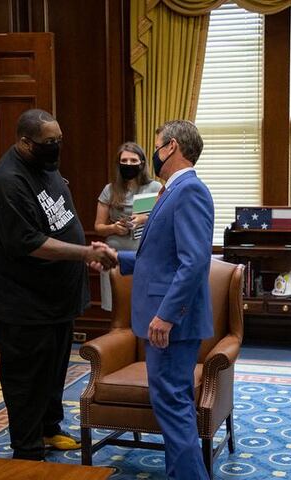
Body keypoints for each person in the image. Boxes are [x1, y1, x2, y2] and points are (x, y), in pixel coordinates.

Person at [0, 109, 116, 461]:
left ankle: (50, 428)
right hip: (22, 303)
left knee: (55, 371)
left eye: (59, 141)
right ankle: (27, 448)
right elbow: (31, 243)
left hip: (56, 300)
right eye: (48, 142)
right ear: (25, 142)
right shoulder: (8, 181)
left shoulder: (46, 168)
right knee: (27, 378)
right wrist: (86, 252)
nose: (55, 148)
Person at [95, 120, 214, 479]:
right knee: (169, 407)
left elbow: (193, 262)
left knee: (174, 408)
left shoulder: (189, 191)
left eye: (158, 145)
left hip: (171, 323)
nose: (155, 152)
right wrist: (119, 258)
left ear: (172, 147)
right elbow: (161, 256)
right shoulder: (170, 191)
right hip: (164, 319)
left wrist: (166, 315)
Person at [94, 142, 161, 310]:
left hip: (143, 252)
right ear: (118, 163)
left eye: (133, 160)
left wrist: (142, 219)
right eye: (124, 161)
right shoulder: (109, 190)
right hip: (114, 253)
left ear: (142, 163)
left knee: (143, 306)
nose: (129, 164)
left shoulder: (155, 187)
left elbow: (163, 219)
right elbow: (98, 227)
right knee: (117, 307)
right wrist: (114, 228)